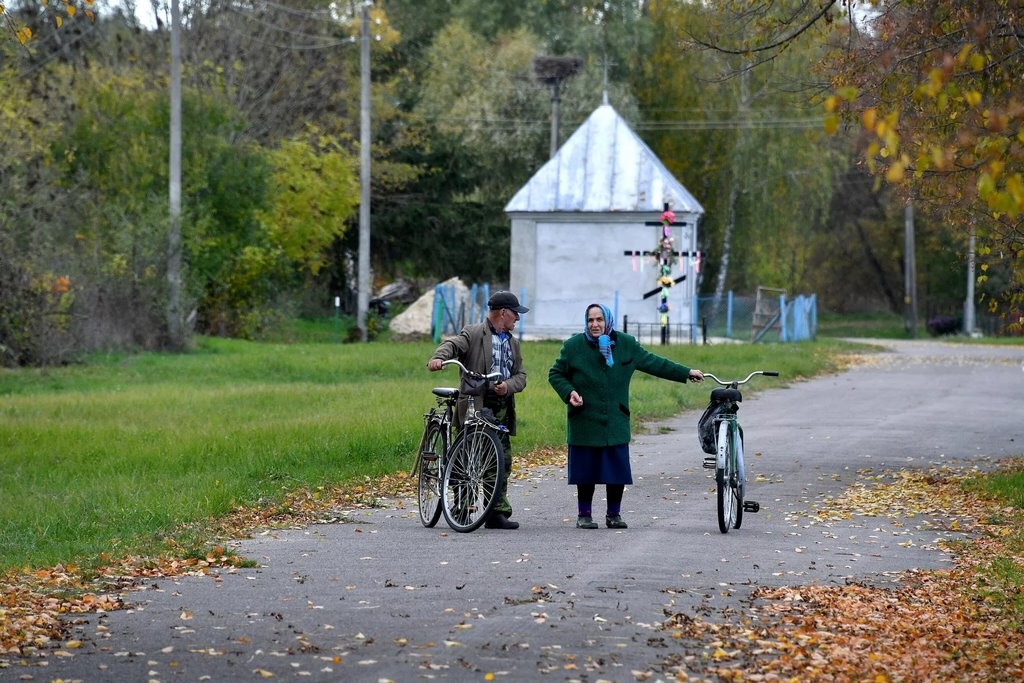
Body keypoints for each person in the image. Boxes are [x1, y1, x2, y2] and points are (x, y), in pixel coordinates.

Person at [548, 303, 704, 529]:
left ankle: (614, 515)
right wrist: (569, 392)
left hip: (615, 418)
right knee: (586, 470)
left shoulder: (626, 345)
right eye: (590, 320)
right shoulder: (573, 346)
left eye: (599, 319)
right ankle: (584, 515)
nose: (595, 324)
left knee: (616, 469)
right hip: (584, 418)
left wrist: (686, 372)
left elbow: (655, 363)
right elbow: (555, 374)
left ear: (608, 321)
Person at [426, 290, 529, 530]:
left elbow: (521, 375)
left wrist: (508, 386)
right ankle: (462, 508)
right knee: (466, 455)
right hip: (475, 402)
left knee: (501, 459)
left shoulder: (513, 342)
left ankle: (496, 513)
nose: (518, 319)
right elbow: (452, 344)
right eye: (515, 314)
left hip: (500, 406)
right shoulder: (474, 333)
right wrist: (439, 358)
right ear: (503, 313)